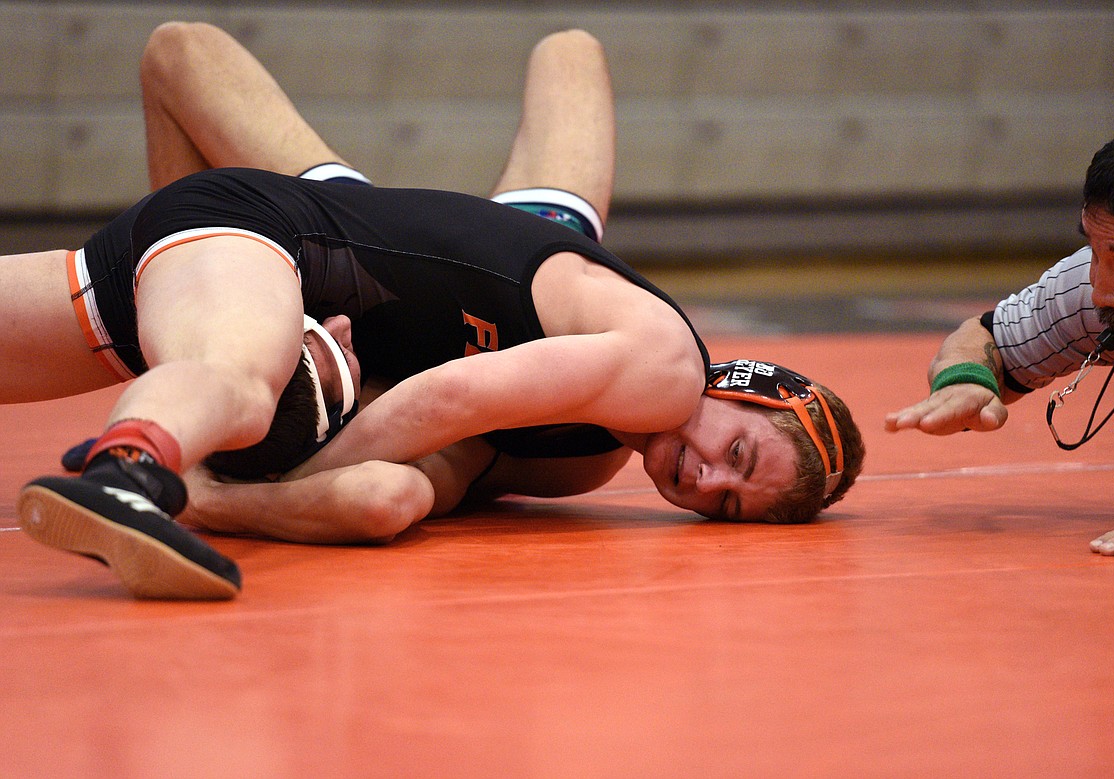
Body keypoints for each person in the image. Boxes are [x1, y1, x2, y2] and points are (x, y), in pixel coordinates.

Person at [12, 23, 864, 601]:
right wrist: (269, 476)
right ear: (744, 387)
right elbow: (444, 402)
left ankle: (182, 401)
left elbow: (440, 459)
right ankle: (135, 471)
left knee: (377, 486)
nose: (703, 480)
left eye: (723, 504)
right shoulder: (664, 371)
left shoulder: (587, 459)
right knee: (236, 381)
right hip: (281, 236)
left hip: (260, 261)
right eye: (736, 454)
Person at [885, 117, 1114, 558]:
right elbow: (986, 337)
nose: (1102, 292)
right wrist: (966, 378)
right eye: (1095, 253)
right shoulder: (1092, 290)